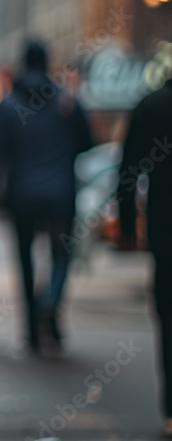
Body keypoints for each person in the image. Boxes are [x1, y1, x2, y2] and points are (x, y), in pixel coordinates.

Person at [0, 39, 93, 354]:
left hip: (21, 196)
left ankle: (33, 329)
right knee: (61, 255)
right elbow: (88, 142)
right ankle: (50, 304)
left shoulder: (7, 104)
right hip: (60, 193)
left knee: (25, 261)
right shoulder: (66, 102)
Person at [116, 75, 172, 434]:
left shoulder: (152, 106)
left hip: (165, 226)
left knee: (168, 312)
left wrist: (124, 225)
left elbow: (128, 169)